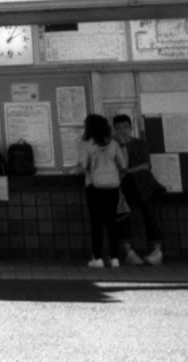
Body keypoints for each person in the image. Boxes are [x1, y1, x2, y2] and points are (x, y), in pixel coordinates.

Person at [73, 115, 127, 268]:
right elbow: (123, 165)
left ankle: (97, 258)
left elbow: (82, 167)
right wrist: (116, 180)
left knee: (96, 223)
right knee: (112, 223)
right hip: (112, 188)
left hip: (94, 187)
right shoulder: (113, 144)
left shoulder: (86, 144)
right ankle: (115, 258)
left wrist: (76, 170)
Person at [113, 114, 164, 265]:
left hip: (144, 186)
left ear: (131, 128)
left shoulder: (140, 144)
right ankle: (129, 252)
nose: (122, 131)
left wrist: (126, 171)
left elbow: (146, 165)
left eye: (125, 127)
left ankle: (156, 251)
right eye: (118, 128)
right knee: (124, 218)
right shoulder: (113, 146)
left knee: (150, 217)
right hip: (123, 187)